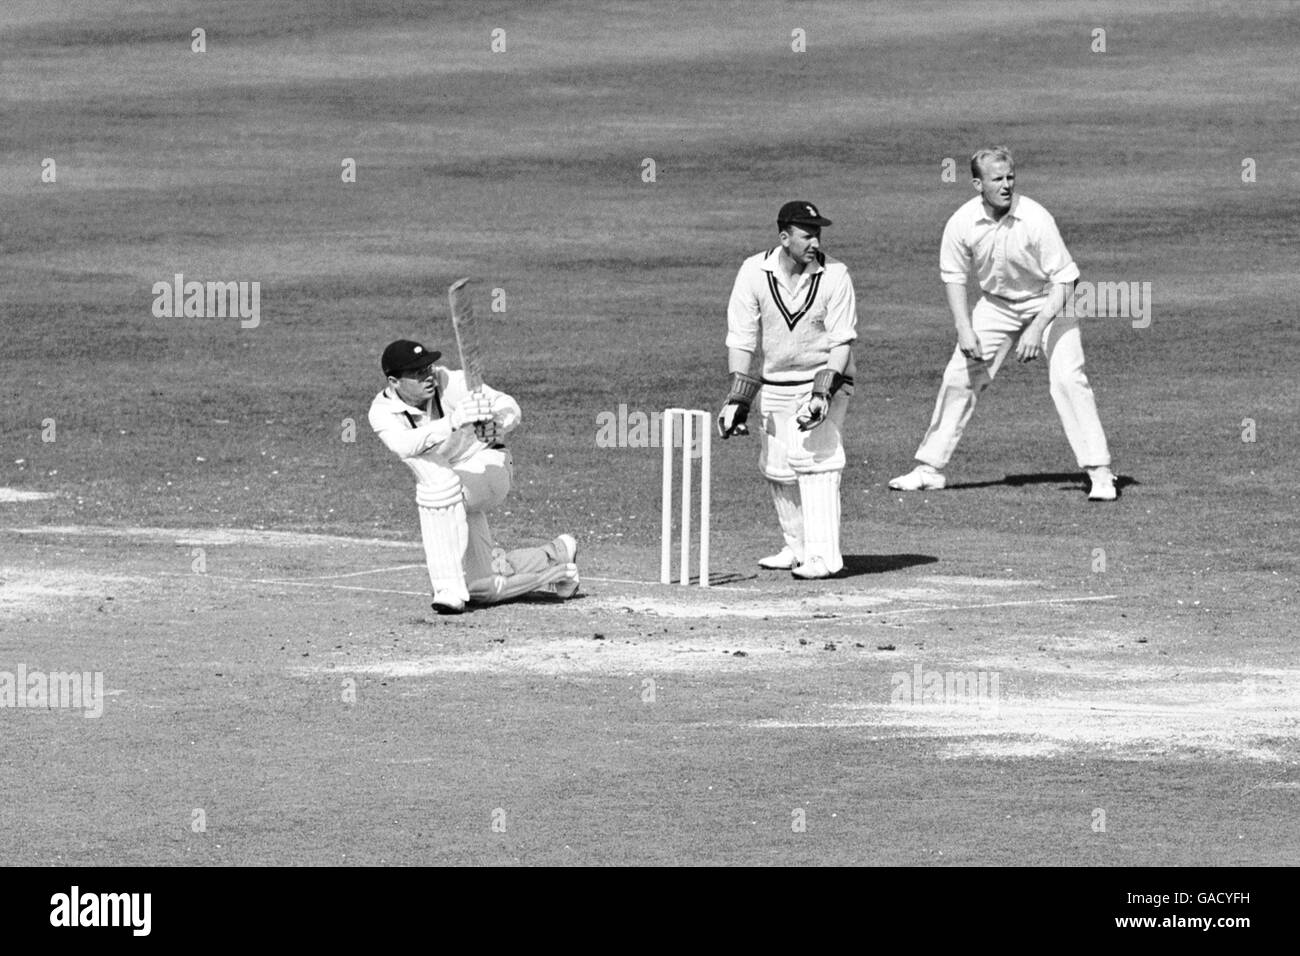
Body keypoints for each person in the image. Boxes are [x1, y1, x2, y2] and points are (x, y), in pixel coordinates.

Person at [889, 146, 1117, 501]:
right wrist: (964, 327)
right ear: (977, 184)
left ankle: (1100, 472)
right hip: (996, 305)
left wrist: (1038, 326)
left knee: (1068, 378)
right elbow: (954, 277)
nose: (1007, 185)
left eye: (1010, 177)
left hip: (1051, 301)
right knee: (960, 376)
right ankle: (929, 469)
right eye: (997, 179)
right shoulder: (962, 222)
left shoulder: (1036, 218)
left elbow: (1067, 279)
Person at [368, 339, 579, 614]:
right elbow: (403, 446)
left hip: (489, 465)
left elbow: (508, 405)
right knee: (482, 589)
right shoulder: (381, 411)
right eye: (417, 373)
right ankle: (558, 560)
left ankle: (448, 588)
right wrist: (452, 422)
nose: (427, 376)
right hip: (452, 487)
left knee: (438, 484)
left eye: (427, 367)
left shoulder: (450, 381)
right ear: (394, 382)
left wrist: (497, 422)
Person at [717, 200, 858, 579]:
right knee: (778, 469)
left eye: (818, 235)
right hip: (777, 382)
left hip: (825, 378)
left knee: (817, 464)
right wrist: (737, 398)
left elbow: (842, 342)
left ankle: (825, 557)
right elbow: (742, 339)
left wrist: (822, 394)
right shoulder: (753, 271)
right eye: (806, 235)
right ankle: (797, 549)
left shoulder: (835, 275)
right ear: (784, 237)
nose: (815, 242)